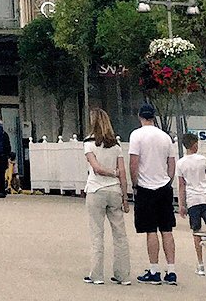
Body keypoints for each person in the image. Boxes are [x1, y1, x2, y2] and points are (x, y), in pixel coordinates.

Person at [128, 104, 179, 285]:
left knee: (150, 229)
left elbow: (134, 162)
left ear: (140, 116)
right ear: (154, 117)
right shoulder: (165, 137)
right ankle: (171, 270)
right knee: (167, 229)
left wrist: (134, 184)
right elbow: (171, 163)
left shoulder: (136, 135)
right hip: (163, 186)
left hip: (145, 186)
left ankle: (154, 269)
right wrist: (168, 180)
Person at [82, 108, 131, 285]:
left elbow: (96, 168)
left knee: (97, 234)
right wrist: (125, 197)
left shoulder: (89, 143)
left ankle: (96, 275)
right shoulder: (116, 146)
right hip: (115, 191)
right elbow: (123, 173)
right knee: (120, 235)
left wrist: (112, 172)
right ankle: (123, 274)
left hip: (96, 190)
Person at [176, 133, 206, 277]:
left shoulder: (180, 163)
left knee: (196, 231)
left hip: (192, 200)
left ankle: (201, 264)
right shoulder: (203, 159)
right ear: (195, 145)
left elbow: (181, 185)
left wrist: (182, 205)